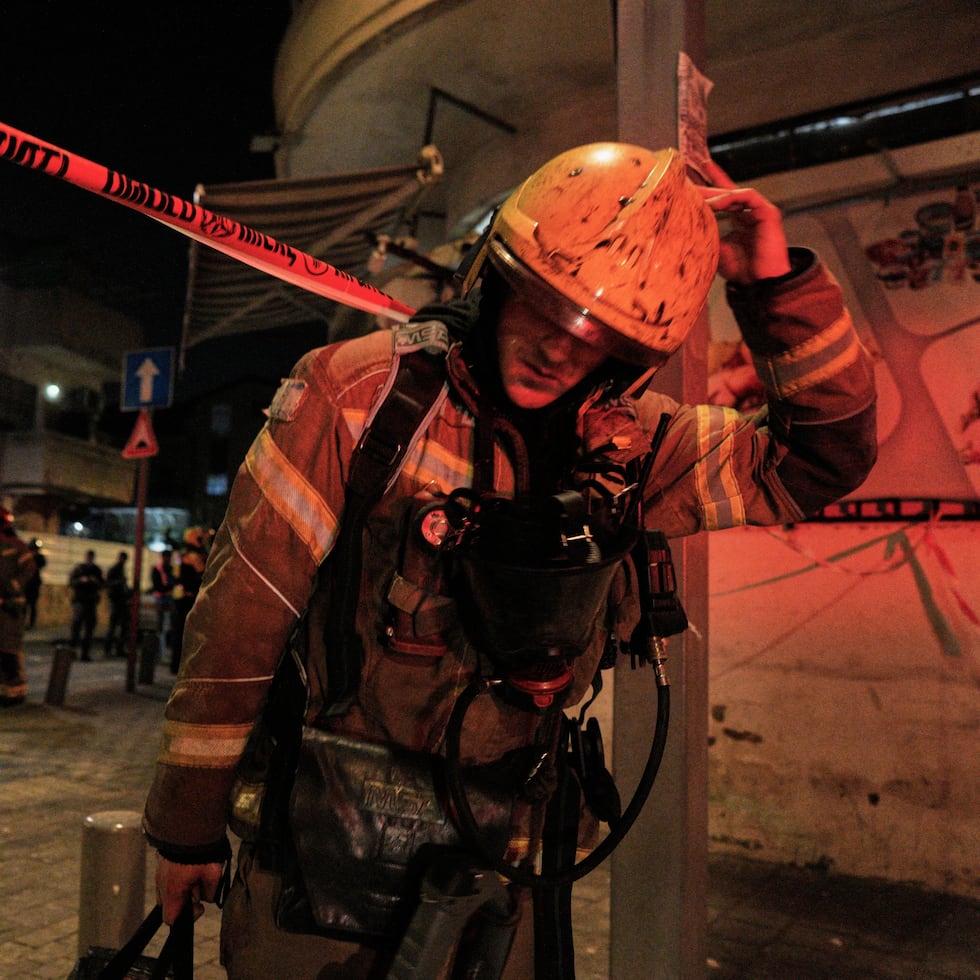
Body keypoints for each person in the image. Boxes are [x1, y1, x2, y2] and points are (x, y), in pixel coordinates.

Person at [143, 145, 877, 978]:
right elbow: (243, 614)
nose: (561, 351)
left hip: (502, 853)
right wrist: (187, 824)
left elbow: (818, 460)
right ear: (497, 279)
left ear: (632, 355)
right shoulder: (357, 399)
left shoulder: (641, 449)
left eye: (599, 336)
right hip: (323, 849)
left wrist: (772, 289)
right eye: (546, 308)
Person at [0, 508, 36, 706]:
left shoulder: (16, 546)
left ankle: (16, 692)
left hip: (10, 607)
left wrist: (12, 588)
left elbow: (29, 569)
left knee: (9, 650)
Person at [169, 528, 209, 674]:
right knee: (185, 633)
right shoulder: (192, 556)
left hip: (184, 598)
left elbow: (174, 574)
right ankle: (180, 665)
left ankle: (178, 665)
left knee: (182, 632)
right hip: (188, 599)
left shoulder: (182, 555)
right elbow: (202, 574)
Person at [69, 549, 104, 662]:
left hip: (91, 602)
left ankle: (85, 653)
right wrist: (81, 581)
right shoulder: (79, 569)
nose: (89, 559)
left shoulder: (96, 570)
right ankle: (72, 652)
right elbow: (72, 582)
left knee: (88, 630)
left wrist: (95, 581)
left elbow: (102, 584)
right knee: (76, 628)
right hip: (80, 601)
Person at [104, 550, 132, 658]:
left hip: (121, 602)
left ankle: (118, 649)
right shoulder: (115, 569)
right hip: (116, 602)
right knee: (113, 626)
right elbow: (109, 585)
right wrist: (120, 583)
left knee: (123, 627)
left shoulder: (120, 569)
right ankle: (109, 649)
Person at [151, 549, 177, 661]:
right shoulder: (159, 569)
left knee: (165, 627)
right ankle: (161, 653)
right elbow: (159, 586)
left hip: (166, 599)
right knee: (162, 627)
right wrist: (169, 587)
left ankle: (162, 653)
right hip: (162, 599)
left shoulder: (168, 569)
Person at [24, 538, 45, 630]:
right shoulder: (26, 556)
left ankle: (31, 624)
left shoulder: (39, 557)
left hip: (34, 585)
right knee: (24, 605)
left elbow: (42, 563)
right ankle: (21, 623)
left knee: (32, 605)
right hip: (26, 584)